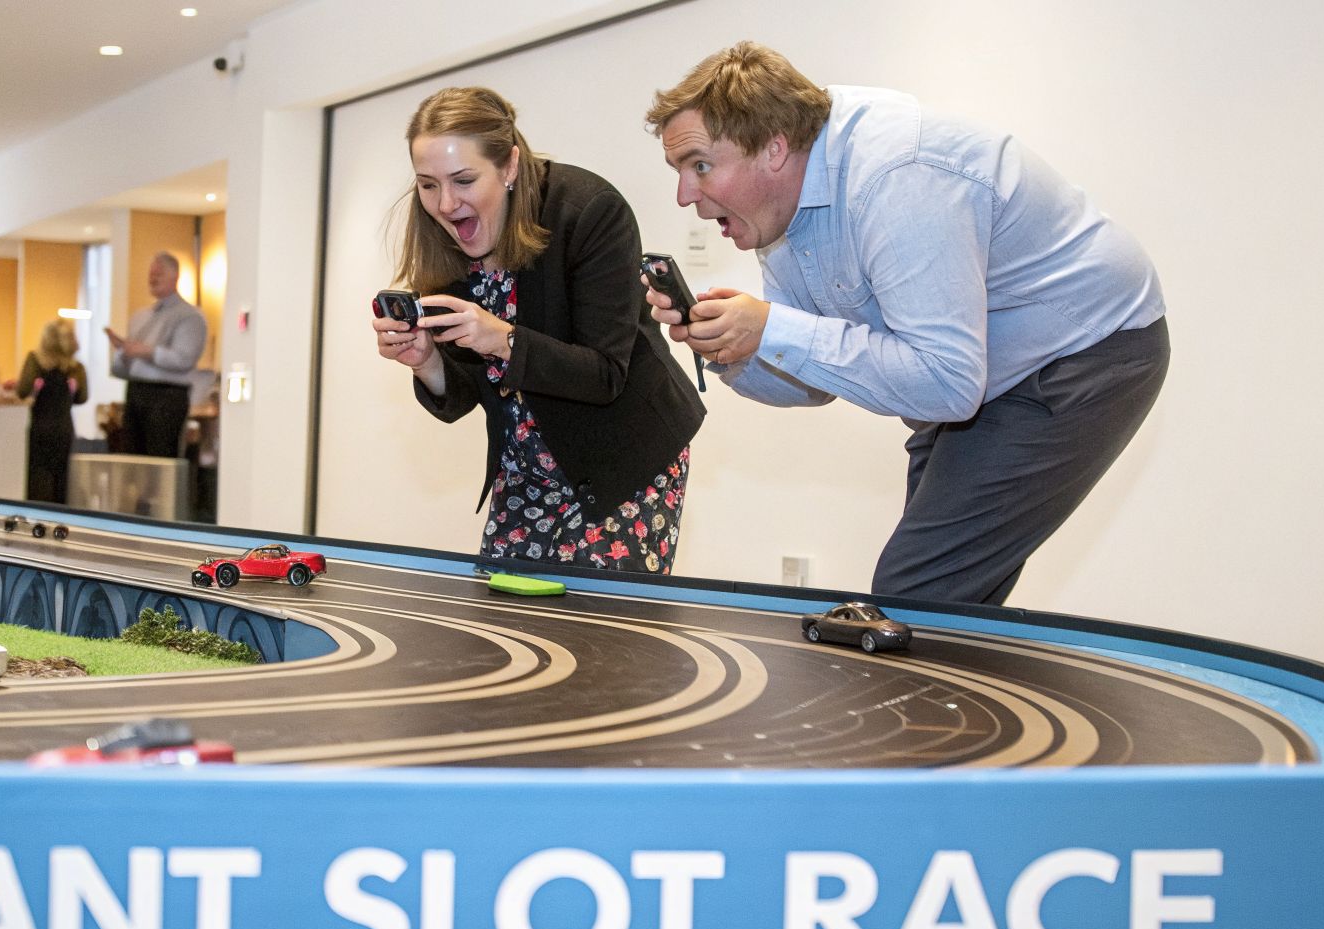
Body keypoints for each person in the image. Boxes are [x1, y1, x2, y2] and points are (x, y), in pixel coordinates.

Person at [644, 42, 1170, 604]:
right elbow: (816, 380)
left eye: (700, 165)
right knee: (934, 590)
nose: (683, 196)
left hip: (1084, 350)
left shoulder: (897, 176)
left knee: (920, 588)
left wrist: (772, 329)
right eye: (679, 170)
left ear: (773, 148)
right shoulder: (777, 214)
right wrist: (734, 347)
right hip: (972, 370)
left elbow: (946, 383)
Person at [373, 86, 705, 573]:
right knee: (508, 620)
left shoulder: (589, 211)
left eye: (463, 180)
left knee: (603, 634)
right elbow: (468, 394)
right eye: (427, 185)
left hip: (623, 461)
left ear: (509, 165)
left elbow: (604, 374)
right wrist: (427, 362)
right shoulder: (446, 241)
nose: (445, 204)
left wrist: (500, 339)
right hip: (527, 470)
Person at [107, 252, 207, 457]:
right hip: (136, 393)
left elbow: (184, 359)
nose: (153, 278)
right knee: (133, 460)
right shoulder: (140, 317)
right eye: (151, 274)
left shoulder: (190, 316)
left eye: (159, 273)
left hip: (166, 398)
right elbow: (121, 368)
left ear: (175, 277)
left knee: (161, 459)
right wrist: (123, 354)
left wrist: (147, 352)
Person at [18, 319, 89, 504]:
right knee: (62, 477)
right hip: (64, 428)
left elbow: (23, 390)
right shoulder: (76, 368)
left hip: (39, 426)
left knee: (37, 477)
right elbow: (82, 398)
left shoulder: (35, 361)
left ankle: (37, 520)